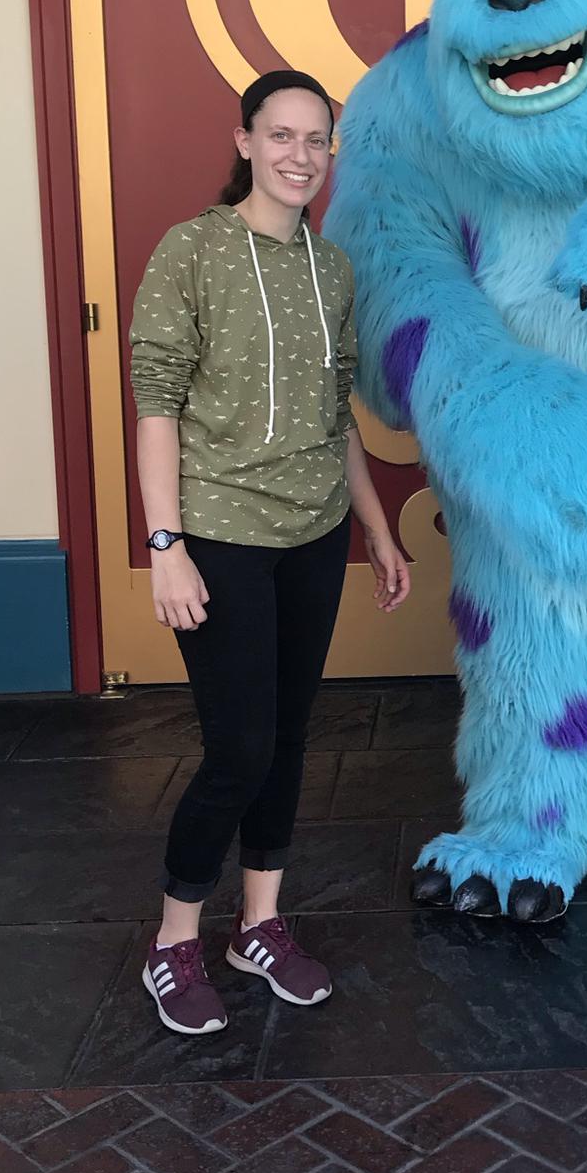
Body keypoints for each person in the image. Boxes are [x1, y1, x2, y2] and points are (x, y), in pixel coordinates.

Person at [129, 69, 410, 1035]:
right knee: (237, 747)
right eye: (281, 136)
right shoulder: (191, 251)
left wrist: (372, 528)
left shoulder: (330, 270)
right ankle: (173, 941)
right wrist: (166, 545)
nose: (300, 156)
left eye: (316, 140)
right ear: (244, 140)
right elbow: (156, 402)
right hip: (220, 536)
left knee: (288, 739)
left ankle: (259, 924)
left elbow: (338, 417)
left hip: (314, 533)